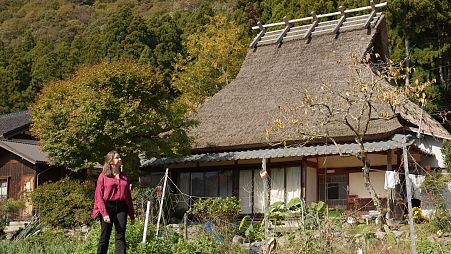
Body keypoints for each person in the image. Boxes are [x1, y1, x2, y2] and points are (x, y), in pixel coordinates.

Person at [92, 151, 135, 254]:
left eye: (119, 157)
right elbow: (98, 196)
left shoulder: (124, 176)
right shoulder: (103, 176)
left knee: (120, 237)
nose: (120, 159)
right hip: (107, 207)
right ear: (110, 161)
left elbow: (128, 197)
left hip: (121, 208)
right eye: (117, 158)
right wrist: (104, 213)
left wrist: (132, 214)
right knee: (104, 237)